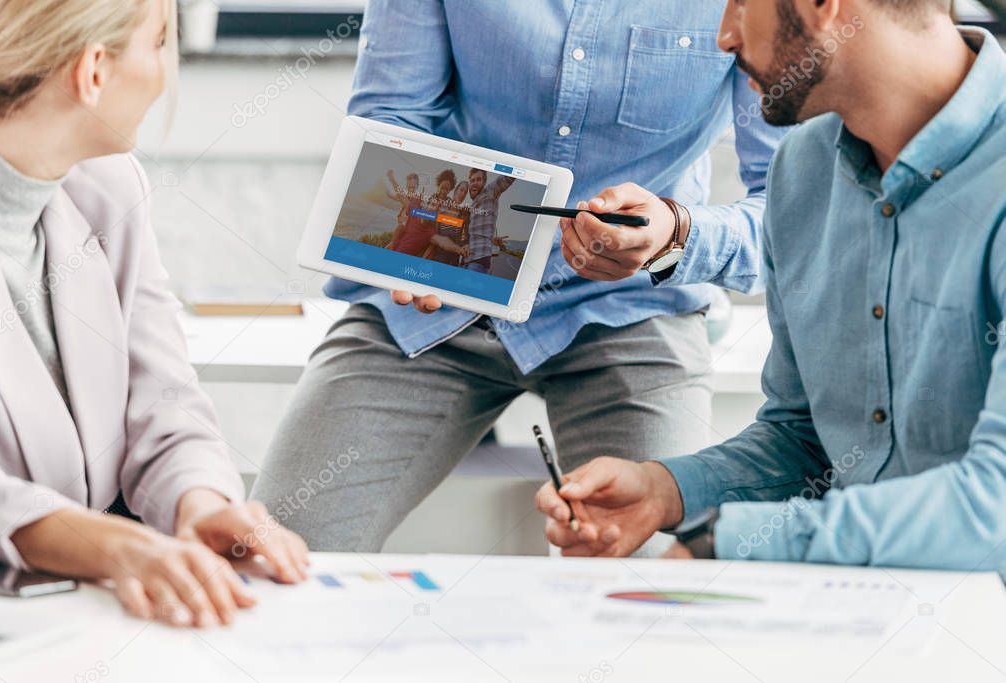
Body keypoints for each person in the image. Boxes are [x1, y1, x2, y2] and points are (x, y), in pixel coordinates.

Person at [252, 0, 786, 552]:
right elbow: (391, 124)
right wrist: (403, 235)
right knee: (270, 553)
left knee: (646, 583)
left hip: (629, 311)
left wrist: (677, 235)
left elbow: (794, 204)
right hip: (437, 301)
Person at [537, 0, 1006, 574]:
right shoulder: (802, 172)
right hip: (855, 616)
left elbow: (996, 507)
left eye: (737, 3)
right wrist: (665, 490)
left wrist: (725, 542)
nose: (724, 37)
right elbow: (807, 444)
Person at [0, 0, 309, 627]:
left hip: (63, 607)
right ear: (94, 71)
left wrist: (199, 500)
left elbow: (164, 399)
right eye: (158, 42)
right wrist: (111, 545)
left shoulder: (106, 186)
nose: (164, 74)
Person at [461, 168, 513, 275]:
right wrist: (492, 239)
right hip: (465, 260)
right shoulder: (472, 207)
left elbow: (508, 177)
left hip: (479, 260)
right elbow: (476, 234)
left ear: (484, 182)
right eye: (472, 180)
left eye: (478, 179)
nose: (474, 183)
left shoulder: (490, 191)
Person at [425, 180, 471, 266]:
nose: (463, 194)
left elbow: (465, 238)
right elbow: (431, 231)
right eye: (461, 190)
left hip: (453, 261)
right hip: (438, 258)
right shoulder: (442, 209)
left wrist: (466, 245)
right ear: (455, 191)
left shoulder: (463, 215)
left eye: (465, 193)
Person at [384, 169, 422, 249]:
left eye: (413, 187)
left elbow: (401, 195)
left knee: (394, 244)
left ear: (417, 185)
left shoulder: (418, 198)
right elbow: (395, 196)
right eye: (409, 187)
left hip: (409, 227)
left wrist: (392, 179)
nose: (410, 189)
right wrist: (387, 193)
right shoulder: (406, 196)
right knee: (392, 244)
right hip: (403, 225)